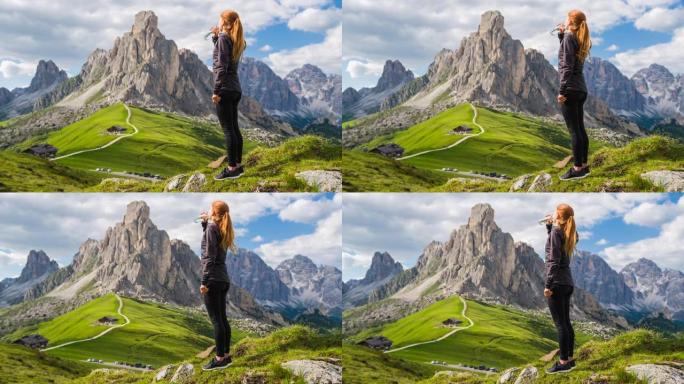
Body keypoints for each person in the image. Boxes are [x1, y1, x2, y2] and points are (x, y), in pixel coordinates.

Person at [199, 200, 237, 370]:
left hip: (212, 279)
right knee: (222, 319)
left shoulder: (212, 228)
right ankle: (227, 356)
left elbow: (209, 256)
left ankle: (219, 359)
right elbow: (211, 243)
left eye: (210, 209)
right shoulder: (222, 228)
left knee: (216, 321)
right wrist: (205, 224)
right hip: (223, 279)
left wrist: (204, 281)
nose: (207, 210)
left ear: (214, 212)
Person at [211, 10, 247, 180]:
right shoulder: (236, 40)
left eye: (220, 20)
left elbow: (221, 66)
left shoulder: (225, 39)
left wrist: (216, 91)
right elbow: (223, 55)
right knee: (234, 128)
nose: (218, 22)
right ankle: (238, 165)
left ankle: (232, 169)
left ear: (225, 22)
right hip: (235, 89)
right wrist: (216, 38)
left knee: (227, 130)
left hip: (225, 89)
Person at [557, 10, 591, 181]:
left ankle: (577, 169)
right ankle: (584, 166)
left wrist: (562, 91)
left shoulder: (571, 38)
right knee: (580, 128)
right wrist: (562, 36)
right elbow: (569, 54)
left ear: (571, 21)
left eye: (566, 18)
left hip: (570, 89)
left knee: (574, 131)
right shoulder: (580, 38)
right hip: (581, 89)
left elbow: (567, 66)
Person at [543, 203, 578, 374]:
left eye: (556, 213)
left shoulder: (557, 232)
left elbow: (553, 260)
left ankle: (563, 362)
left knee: (560, 325)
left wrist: (548, 285)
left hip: (556, 282)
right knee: (566, 322)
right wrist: (550, 227)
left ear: (560, 216)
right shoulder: (567, 232)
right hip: (567, 282)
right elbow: (555, 247)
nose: (554, 215)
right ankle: (570, 359)